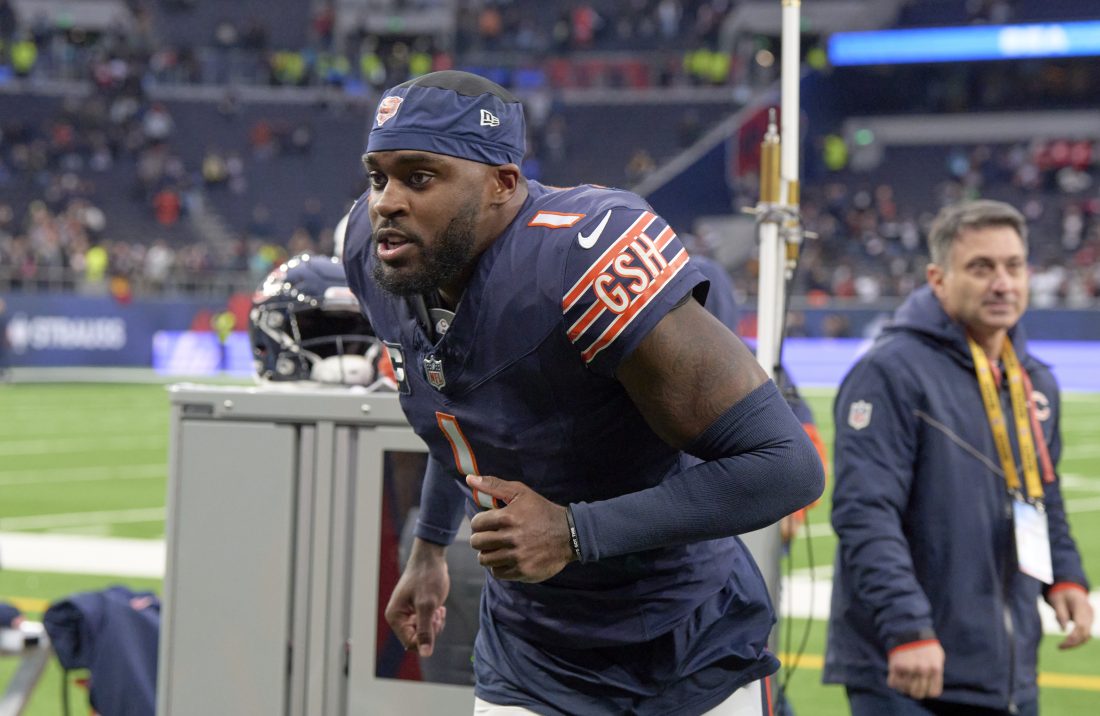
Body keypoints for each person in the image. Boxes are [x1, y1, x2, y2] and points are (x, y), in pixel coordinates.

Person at [343, 70, 824, 715]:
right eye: (378, 177)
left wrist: (573, 532)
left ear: (502, 185)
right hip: (529, 652)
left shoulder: (581, 255)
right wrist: (430, 546)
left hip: (684, 646)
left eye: (419, 177)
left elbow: (786, 467)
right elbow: (455, 399)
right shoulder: (377, 256)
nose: (386, 202)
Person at [824, 199, 1093, 716]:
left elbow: (1042, 494)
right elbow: (864, 512)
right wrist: (907, 628)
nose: (1002, 283)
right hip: (912, 669)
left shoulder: (1034, 380)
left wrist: (1066, 575)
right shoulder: (890, 373)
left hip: (1006, 672)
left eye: (1014, 266)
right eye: (981, 267)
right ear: (938, 278)